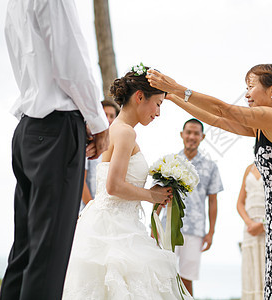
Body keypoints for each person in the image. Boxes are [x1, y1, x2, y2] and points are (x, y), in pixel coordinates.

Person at [147, 64, 272, 298]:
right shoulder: (262, 126)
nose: (247, 94)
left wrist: (178, 87)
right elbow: (217, 120)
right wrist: (173, 97)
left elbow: (223, 109)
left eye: (251, 87)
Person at [1, 0, 110, 299]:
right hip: (56, 129)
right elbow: (71, 64)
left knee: (25, 250)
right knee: (49, 255)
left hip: (28, 128)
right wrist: (98, 122)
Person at [63, 66, 192, 299]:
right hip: (116, 229)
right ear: (139, 97)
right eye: (159, 104)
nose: (158, 113)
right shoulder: (125, 132)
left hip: (114, 222)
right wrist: (152, 195)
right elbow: (113, 187)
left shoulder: (118, 130)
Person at [157, 118, 223, 296]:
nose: (192, 136)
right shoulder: (170, 163)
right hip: (168, 227)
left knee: (187, 278)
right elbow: (158, 195)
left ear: (202, 137)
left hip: (195, 230)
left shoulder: (211, 166)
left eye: (196, 133)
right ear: (182, 134)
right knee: (163, 275)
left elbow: (213, 201)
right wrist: (153, 226)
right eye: (189, 132)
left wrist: (211, 232)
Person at [81, 100, 120, 212]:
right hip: (87, 208)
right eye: (105, 115)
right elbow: (81, 182)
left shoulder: (117, 146)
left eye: (112, 116)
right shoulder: (89, 143)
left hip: (109, 209)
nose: (108, 119)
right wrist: (93, 210)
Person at [236, 163, 265, 300]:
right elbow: (240, 203)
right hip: (249, 230)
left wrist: (263, 225)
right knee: (250, 273)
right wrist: (250, 223)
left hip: (269, 230)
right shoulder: (249, 168)